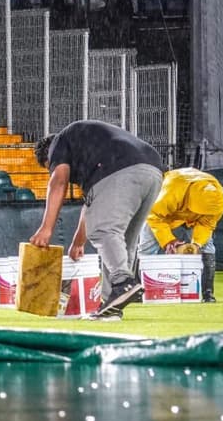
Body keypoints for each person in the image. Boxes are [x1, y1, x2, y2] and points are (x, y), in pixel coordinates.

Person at [30, 119, 165, 320]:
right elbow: (94, 202)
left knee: (103, 231)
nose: (52, 169)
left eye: (49, 166)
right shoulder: (88, 149)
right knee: (122, 240)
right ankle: (112, 305)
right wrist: (78, 241)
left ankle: (123, 282)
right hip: (154, 172)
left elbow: (58, 182)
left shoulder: (59, 143)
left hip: (120, 169)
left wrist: (46, 228)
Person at [140, 167, 223, 303]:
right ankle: (140, 292)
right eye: (202, 210)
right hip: (162, 214)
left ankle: (207, 292)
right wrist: (169, 241)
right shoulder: (172, 189)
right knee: (147, 248)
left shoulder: (217, 200)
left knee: (207, 247)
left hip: (194, 218)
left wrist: (197, 244)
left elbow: (207, 224)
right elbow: (154, 215)